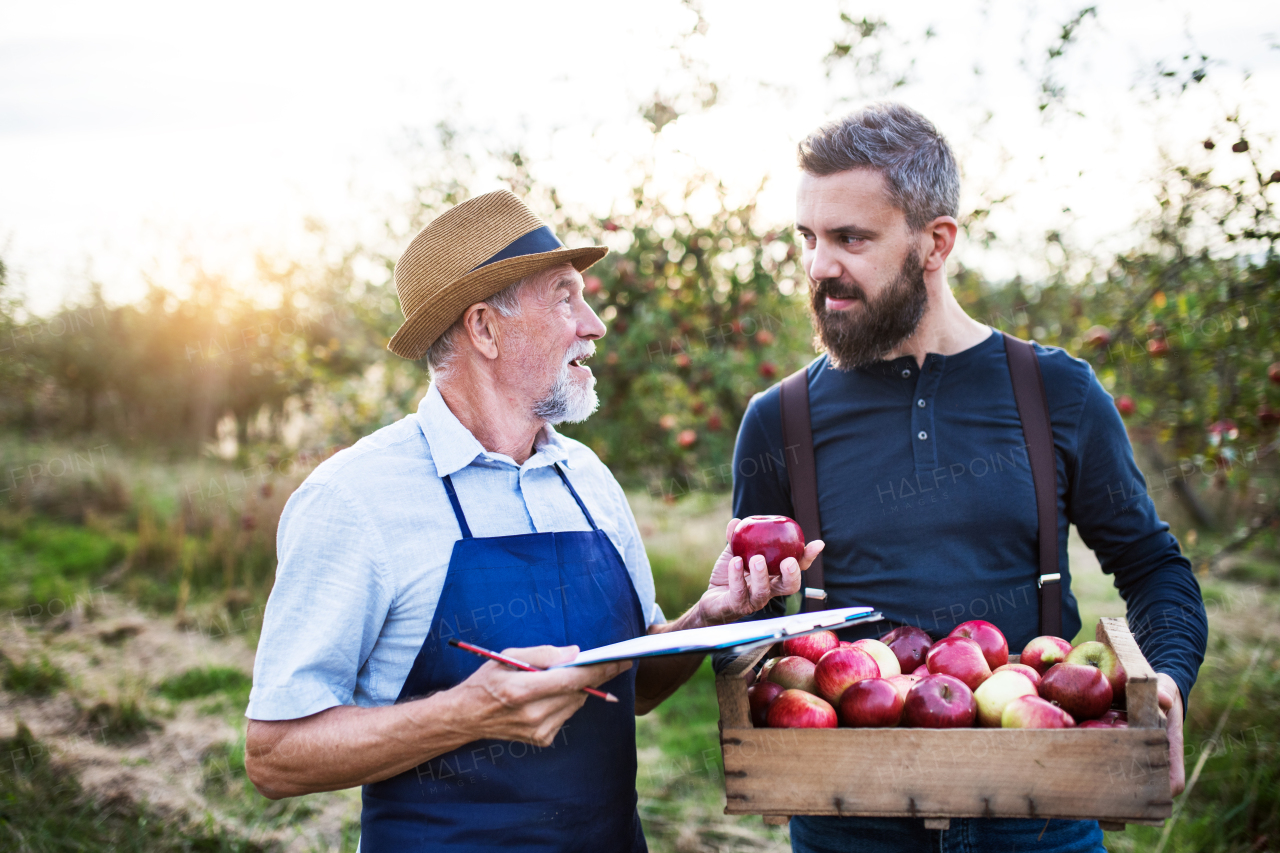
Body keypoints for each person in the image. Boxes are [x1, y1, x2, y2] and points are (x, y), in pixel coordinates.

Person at [241, 190, 823, 852]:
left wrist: (707, 618)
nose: (596, 324)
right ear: (484, 327)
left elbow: (634, 688)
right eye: (565, 297)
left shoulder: (588, 480)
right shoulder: (355, 499)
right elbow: (275, 755)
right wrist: (469, 711)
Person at [728, 103, 1207, 852]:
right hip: (848, 817)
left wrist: (1168, 677)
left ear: (935, 242)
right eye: (809, 238)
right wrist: (732, 622)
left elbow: (1153, 567)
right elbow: (754, 630)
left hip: (1040, 810)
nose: (820, 265)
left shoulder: (1059, 393)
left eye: (851, 237)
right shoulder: (777, 419)